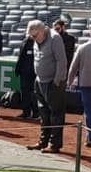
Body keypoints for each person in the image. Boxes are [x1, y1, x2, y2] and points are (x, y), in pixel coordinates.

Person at [26, 19, 68, 152]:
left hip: (53, 83)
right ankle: (43, 141)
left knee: (55, 114)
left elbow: (62, 61)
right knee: (43, 114)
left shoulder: (55, 38)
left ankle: (54, 145)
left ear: (42, 31)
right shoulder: (37, 39)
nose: (33, 39)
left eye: (34, 36)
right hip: (40, 81)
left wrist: (56, 81)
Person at [14, 34, 38, 119]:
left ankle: (36, 112)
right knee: (24, 92)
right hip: (24, 72)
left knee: (34, 93)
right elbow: (20, 56)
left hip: (34, 72)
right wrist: (18, 69)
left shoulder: (38, 42)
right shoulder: (24, 41)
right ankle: (26, 112)